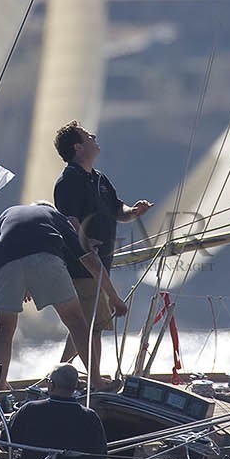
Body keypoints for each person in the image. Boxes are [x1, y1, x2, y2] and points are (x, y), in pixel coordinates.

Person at [52, 121, 152, 368]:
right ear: (78, 147)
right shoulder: (68, 181)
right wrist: (84, 242)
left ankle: (63, 374)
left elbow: (118, 210)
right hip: (82, 264)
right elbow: (69, 220)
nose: (94, 136)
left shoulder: (100, 179)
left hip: (101, 264)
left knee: (86, 324)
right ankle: (90, 380)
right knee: (91, 325)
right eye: (87, 136)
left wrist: (134, 212)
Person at [0, 202, 101, 389]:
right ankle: (96, 379)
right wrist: (111, 294)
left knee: (3, 329)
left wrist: (21, 286)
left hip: (3, 262)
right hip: (44, 256)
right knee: (76, 321)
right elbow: (82, 252)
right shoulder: (54, 215)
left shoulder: (8, 212)